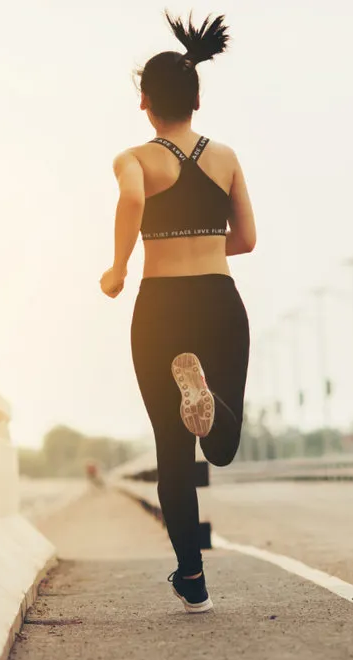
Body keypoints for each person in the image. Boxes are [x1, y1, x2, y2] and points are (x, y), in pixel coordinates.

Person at [100, 11, 255, 614]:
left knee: (172, 447)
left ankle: (191, 577)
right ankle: (209, 407)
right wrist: (209, 242)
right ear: (197, 97)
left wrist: (117, 267)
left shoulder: (135, 159)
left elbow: (134, 198)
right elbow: (245, 241)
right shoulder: (227, 158)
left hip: (160, 305)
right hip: (218, 298)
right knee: (220, 444)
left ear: (145, 103)